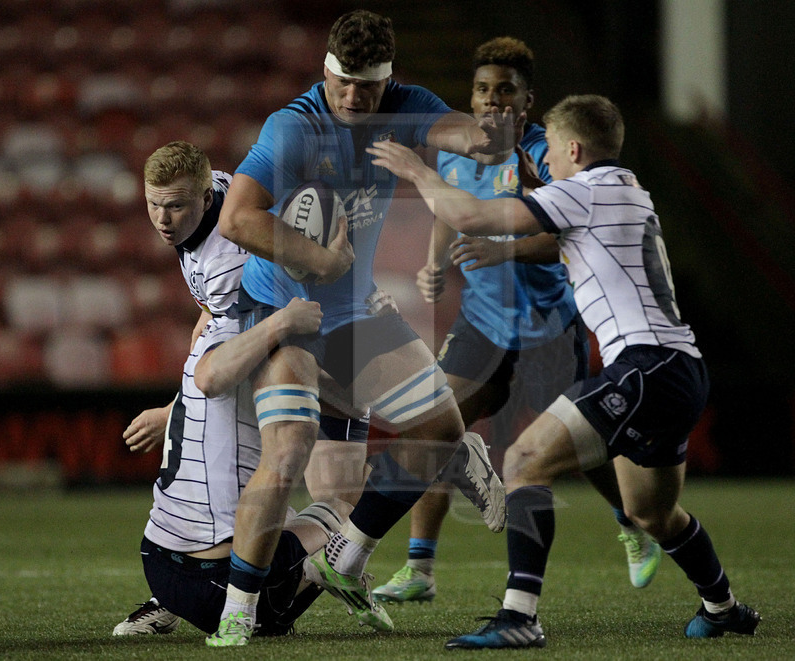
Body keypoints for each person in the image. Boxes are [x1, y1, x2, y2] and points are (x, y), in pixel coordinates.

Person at [367, 94, 760, 648]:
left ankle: (520, 617)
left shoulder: (586, 189)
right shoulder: (625, 189)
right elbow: (560, 243)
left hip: (646, 365)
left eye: (550, 149)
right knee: (651, 513)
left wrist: (415, 169)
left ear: (574, 148)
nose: (544, 159)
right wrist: (533, 194)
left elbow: (472, 215)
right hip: (681, 370)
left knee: (524, 461)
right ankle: (723, 607)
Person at [210, 9, 518, 645]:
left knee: (438, 425)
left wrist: (484, 134)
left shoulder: (409, 107)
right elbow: (237, 219)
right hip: (282, 316)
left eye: (367, 86)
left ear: (390, 79)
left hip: (353, 311)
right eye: (342, 81)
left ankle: (345, 558)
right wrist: (317, 257)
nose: (352, 97)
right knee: (290, 449)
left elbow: (484, 142)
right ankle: (236, 608)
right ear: (325, 67)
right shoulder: (294, 127)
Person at [373, 37, 661, 606]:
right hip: (482, 320)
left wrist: (503, 249)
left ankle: (630, 524)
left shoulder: (549, 156)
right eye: (483, 89)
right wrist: (435, 261)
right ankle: (419, 568)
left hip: (547, 321)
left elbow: (559, 242)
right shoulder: (458, 151)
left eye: (505, 90)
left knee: (584, 445)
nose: (492, 100)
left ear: (527, 101)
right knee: (436, 425)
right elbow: (448, 208)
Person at [113, 141, 383, 638]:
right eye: (153, 203)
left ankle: (173, 598)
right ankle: (319, 568)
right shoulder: (214, 198)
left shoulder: (235, 266)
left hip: (161, 556)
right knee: (336, 499)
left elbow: (215, 367)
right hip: (259, 335)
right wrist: (177, 405)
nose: (162, 218)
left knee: (292, 443)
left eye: (174, 206)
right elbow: (211, 355)